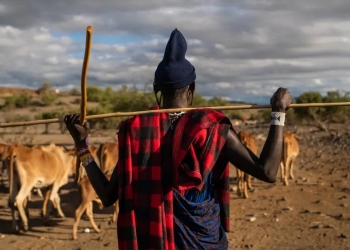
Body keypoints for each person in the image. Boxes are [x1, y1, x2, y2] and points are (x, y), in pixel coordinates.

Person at [64, 29, 292, 250]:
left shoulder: (137, 132)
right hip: (204, 241)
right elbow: (268, 172)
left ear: (157, 90)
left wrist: (82, 145)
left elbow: (106, 195)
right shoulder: (211, 128)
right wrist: (278, 113)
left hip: (153, 241)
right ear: (191, 88)